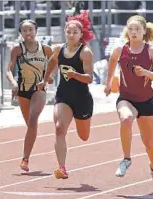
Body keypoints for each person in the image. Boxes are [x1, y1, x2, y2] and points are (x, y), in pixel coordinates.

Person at [104, 15, 153, 190]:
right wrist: (108, 83)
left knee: (149, 144)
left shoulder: (152, 52)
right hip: (126, 98)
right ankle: (126, 159)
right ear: (127, 31)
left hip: (146, 100)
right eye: (130, 29)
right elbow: (112, 62)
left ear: (144, 31)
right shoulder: (119, 50)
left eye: (137, 29)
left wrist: (146, 72)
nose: (133, 33)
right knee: (126, 119)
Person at [37, 11, 94, 179]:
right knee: (59, 128)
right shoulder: (58, 49)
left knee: (84, 136)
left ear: (81, 34)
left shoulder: (85, 52)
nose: (71, 34)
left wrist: (75, 75)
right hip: (64, 96)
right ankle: (62, 168)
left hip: (82, 98)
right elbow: (52, 62)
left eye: (75, 32)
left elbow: (89, 78)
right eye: (68, 31)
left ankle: (83, 120)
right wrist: (45, 79)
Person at [6, 19, 53, 172]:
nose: (28, 33)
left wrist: (48, 76)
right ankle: (27, 154)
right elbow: (9, 70)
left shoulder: (45, 49)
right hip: (23, 90)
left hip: (39, 88)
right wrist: (13, 83)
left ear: (36, 31)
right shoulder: (17, 49)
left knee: (33, 119)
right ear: (21, 34)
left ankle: (25, 159)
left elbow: (55, 64)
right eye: (24, 30)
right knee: (30, 126)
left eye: (30, 30)